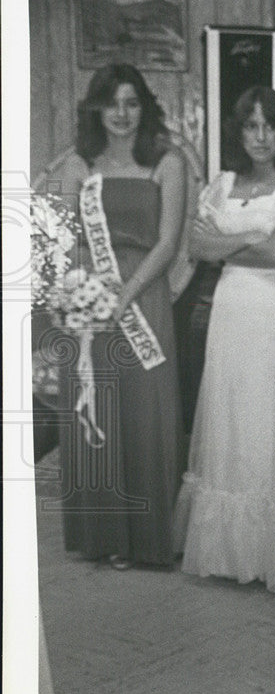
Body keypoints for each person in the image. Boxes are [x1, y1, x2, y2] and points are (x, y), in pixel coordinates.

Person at [172, 86, 275, 592]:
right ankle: (230, 551)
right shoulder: (220, 185)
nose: (261, 136)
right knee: (232, 417)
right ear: (238, 132)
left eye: (271, 124)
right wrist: (249, 238)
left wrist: (231, 244)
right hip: (231, 311)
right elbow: (195, 243)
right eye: (251, 125)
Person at [41, 63, 185, 569]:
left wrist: (125, 296)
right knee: (94, 409)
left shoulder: (168, 161)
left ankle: (148, 537)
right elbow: (61, 242)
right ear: (95, 108)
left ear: (144, 107)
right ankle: (102, 535)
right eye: (111, 103)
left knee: (147, 414)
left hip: (143, 298)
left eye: (131, 103)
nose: (121, 114)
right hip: (90, 300)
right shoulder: (78, 162)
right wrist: (80, 296)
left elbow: (168, 243)